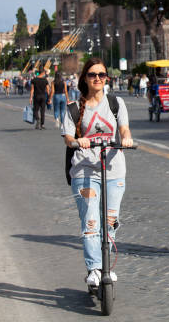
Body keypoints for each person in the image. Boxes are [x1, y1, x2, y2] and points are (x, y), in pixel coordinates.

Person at [61, 57, 133, 288]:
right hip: (84, 171)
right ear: (85, 78)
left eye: (102, 75)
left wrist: (127, 138)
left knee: (110, 221)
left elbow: (123, 127)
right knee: (91, 222)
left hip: (114, 169)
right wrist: (77, 141)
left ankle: (105, 266)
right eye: (93, 75)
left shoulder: (115, 103)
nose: (98, 79)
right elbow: (68, 137)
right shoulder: (73, 108)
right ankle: (94, 268)